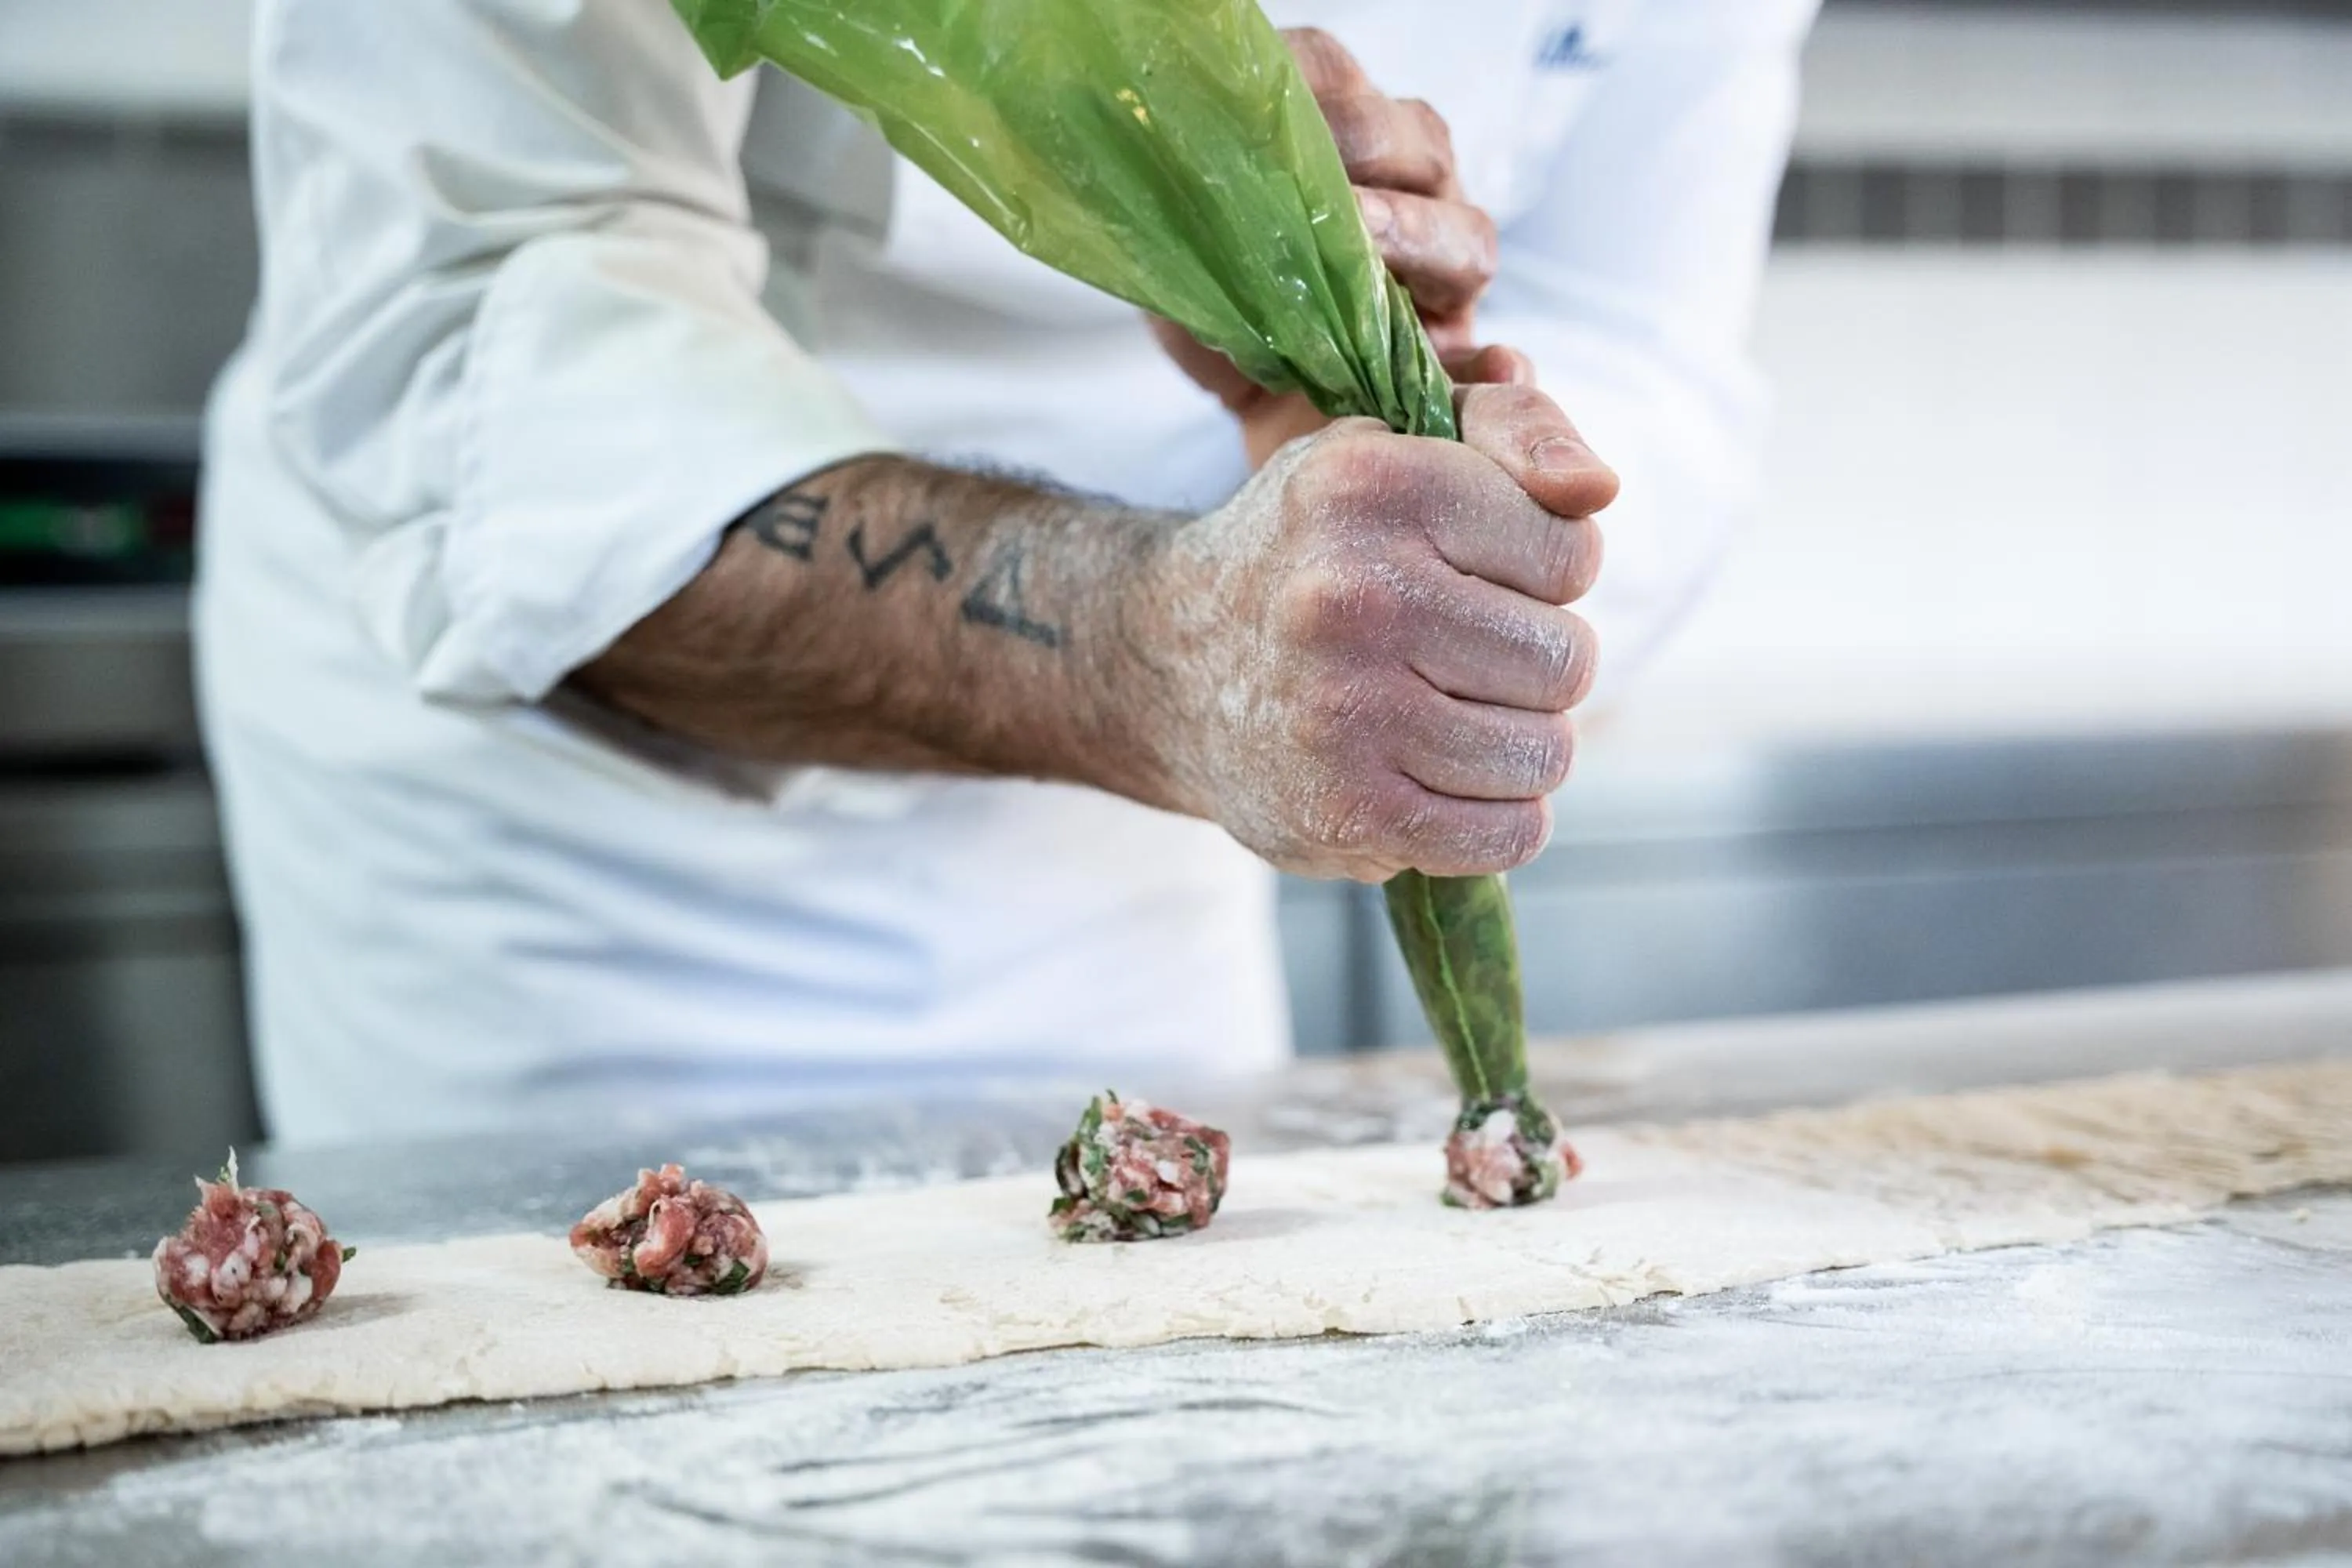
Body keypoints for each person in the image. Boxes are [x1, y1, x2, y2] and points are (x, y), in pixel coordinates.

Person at [200, 0, 1818, 1144]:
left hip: (1155, 834)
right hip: (576, 856)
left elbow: (1644, 346)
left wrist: (1409, 477)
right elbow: (489, 328)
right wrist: (1163, 653)